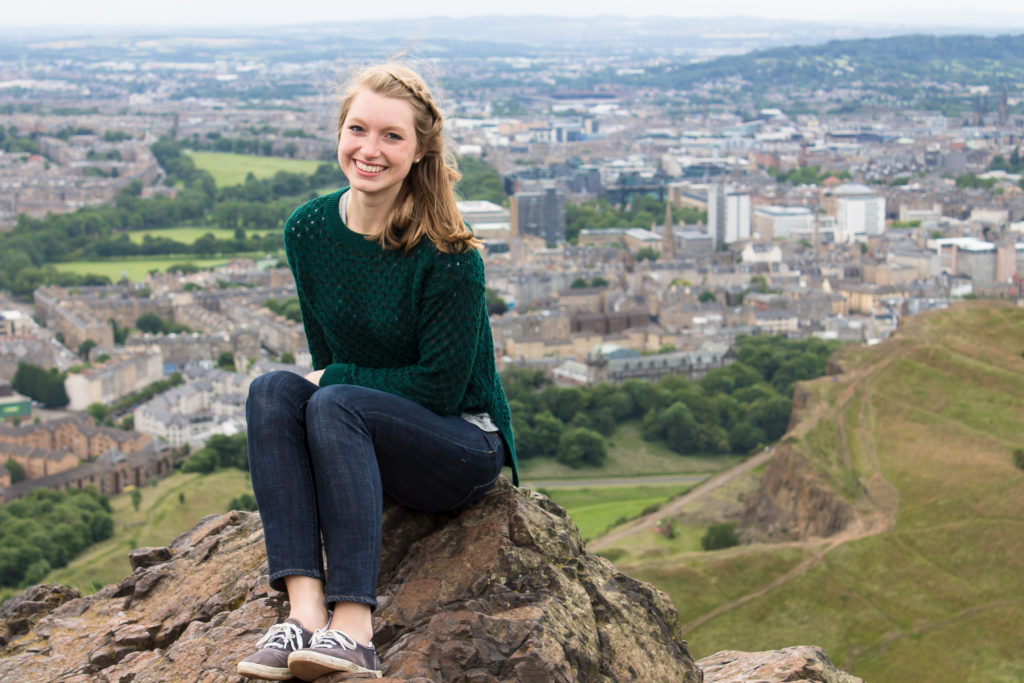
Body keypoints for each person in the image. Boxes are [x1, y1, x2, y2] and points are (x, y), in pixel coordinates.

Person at [237, 62, 517, 682]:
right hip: (366, 429)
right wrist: (334, 381)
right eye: (357, 129)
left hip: (461, 443)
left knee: (335, 398)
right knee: (270, 391)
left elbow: (442, 387)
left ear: (419, 152)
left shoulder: (448, 254)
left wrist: (338, 382)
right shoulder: (308, 230)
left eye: (392, 136)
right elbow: (322, 354)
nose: (370, 149)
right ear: (339, 133)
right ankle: (304, 615)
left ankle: (355, 629)